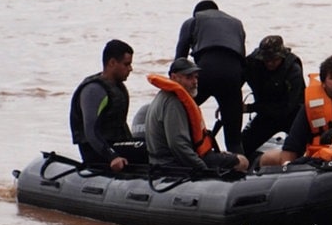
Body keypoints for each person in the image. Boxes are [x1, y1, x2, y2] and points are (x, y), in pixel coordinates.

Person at [258, 55, 332, 166]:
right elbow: (292, 145)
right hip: (317, 162)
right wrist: (287, 170)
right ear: (323, 83)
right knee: (267, 158)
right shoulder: (311, 106)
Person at [144, 58, 248, 174]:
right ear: (174, 78)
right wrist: (203, 169)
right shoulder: (173, 103)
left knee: (227, 155)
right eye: (189, 77)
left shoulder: (165, 97)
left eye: (196, 77)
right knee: (241, 161)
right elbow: (178, 145)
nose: (194, 82)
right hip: (172, 164)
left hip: (169, 160)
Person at [175, 0, 247, 153]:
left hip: (205, 71)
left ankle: (185, 154)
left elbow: (179, 62)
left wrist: (174, 91)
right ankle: (241, 171)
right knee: (234, 140)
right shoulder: (237, 24)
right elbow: (242, 63)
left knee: (181, 111)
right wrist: (228, 100)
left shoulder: (192, 21)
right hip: (233, 77)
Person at [68, 39, 147, 171]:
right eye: (126, 64)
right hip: (97, 152)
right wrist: (112, 157)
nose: (130, 69)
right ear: (112, 63)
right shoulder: (94, 90)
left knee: (155, 145)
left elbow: (121, 124)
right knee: (148, 149)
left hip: (116, 145)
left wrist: (132, 143)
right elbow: (90, 131)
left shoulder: (118, 88)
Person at [241, 35, 304, 155]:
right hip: (266, 116)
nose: (270, 63)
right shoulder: (252, 63)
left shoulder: (293, 70)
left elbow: (286, 108)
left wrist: (250, 108)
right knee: (243, 146)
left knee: (303, 149)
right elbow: (235, 81)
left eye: (274, 60)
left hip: (292, 116)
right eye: (266, 60)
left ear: (282, 56)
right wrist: (230, 103)